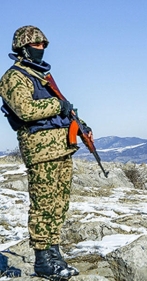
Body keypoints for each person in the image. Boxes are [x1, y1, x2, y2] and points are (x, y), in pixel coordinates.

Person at [0, 25, 92, 280]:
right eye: (36, 45)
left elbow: (62, 111)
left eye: (43, 45)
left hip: (60, 148)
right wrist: (57, 105)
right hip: (40, 151)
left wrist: (79, 124)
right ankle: (42, 261)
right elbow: (25, 110)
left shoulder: (41, 76)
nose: (40, 49)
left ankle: (54, 255)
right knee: (43, 205)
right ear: (22, 48)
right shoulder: (13, 77)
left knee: (58, 205)